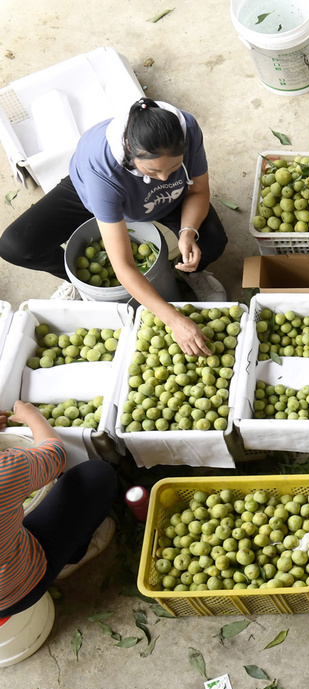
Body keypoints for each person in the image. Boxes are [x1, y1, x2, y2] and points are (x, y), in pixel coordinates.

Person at [0, 98, 227, 356]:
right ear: (130, 149)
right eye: (153, 170)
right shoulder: (101, 170)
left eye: (174, 167)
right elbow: (124, 266)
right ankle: (78, 281)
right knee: (16, 246)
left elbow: (197, 190)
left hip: (165, 198)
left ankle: (192, 273)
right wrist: (174, 320)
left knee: (211, 242)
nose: (164, 177)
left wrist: (188, 232)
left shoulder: (186, 129)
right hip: (103, 192)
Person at [0, 401, 119, 620]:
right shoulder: (5, 471)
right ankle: (71, 557)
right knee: (95, 476)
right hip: (19, 587)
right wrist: (32, 415)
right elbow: (53, 455)